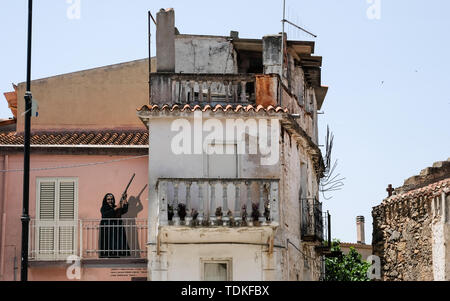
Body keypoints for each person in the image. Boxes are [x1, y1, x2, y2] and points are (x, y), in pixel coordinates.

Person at [99, 193, 131, 258]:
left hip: (116, 228)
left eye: (111, 199)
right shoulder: (103, 208)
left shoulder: (115, 206)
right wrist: (115, 209)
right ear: (105, 200)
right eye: (108, 199)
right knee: (108, 242)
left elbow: (124, 210)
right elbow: (105, 215)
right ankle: (108, 255)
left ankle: (117, 254)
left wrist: (125, 199)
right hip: (107, 228)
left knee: (116, 242)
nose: (110, 200)